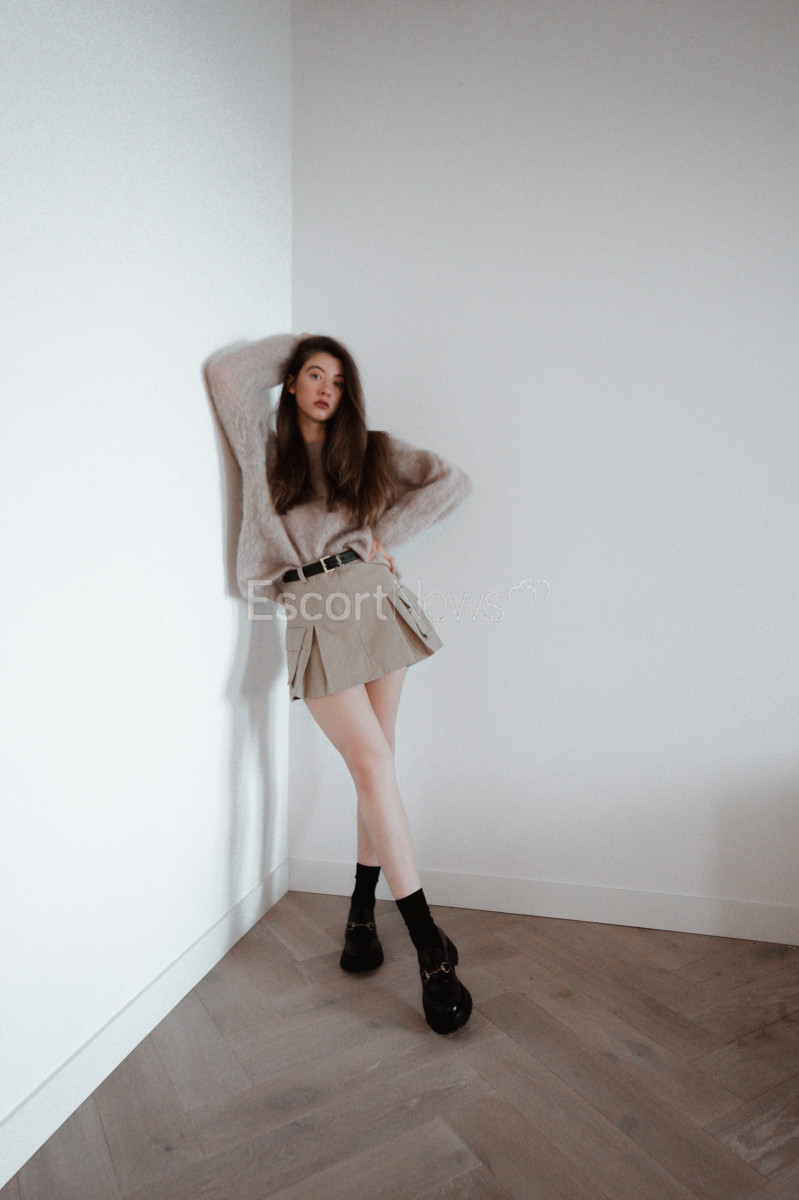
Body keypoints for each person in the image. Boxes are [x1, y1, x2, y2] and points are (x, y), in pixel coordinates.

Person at [204, 332, 473, 1034]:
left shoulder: (370, 450)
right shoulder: (266, 453)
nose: (327, 388)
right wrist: (306, 344)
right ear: (291, 382)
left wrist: (385, 536)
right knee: (372, 763)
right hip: (311, 608)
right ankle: (428, 945)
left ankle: (361, 913)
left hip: (371, 598)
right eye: (314, 375)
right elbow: (228, 374)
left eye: (339, 379)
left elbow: (451, 481)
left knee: (376, 765)